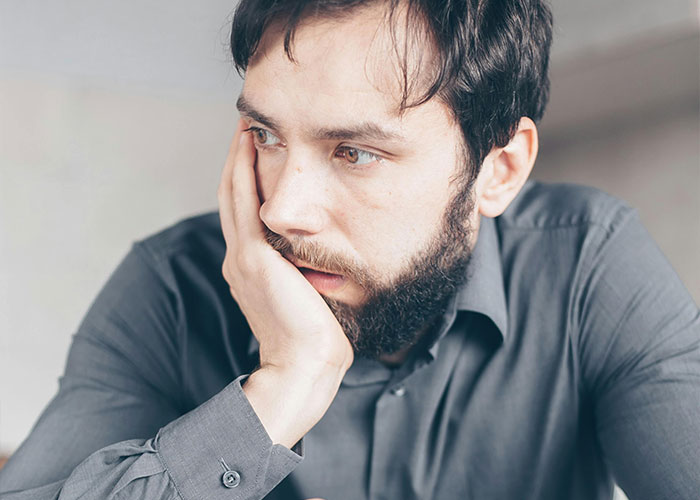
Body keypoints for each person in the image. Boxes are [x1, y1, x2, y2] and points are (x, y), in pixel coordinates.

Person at [1, 0, 698, 498]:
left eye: (356, 152)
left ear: (499, 171)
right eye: (266, 136)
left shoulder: (589, 268)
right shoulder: (170, 289)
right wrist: (281, 388)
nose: (282, 208)